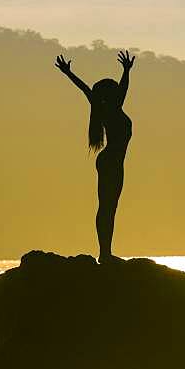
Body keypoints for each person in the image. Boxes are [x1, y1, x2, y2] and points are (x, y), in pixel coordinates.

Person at [55, 49, 135, 263]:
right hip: (111, 162)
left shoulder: (106, 108)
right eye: (114, 89)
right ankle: (105, 253)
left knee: (108, 207)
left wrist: (68, 73)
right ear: (110, 95)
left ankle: (105, 252)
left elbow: (86, 90)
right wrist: (126, 71)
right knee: (108, 207)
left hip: (110, 161)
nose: (118, 90)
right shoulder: (112, 108)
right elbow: (96, 90)